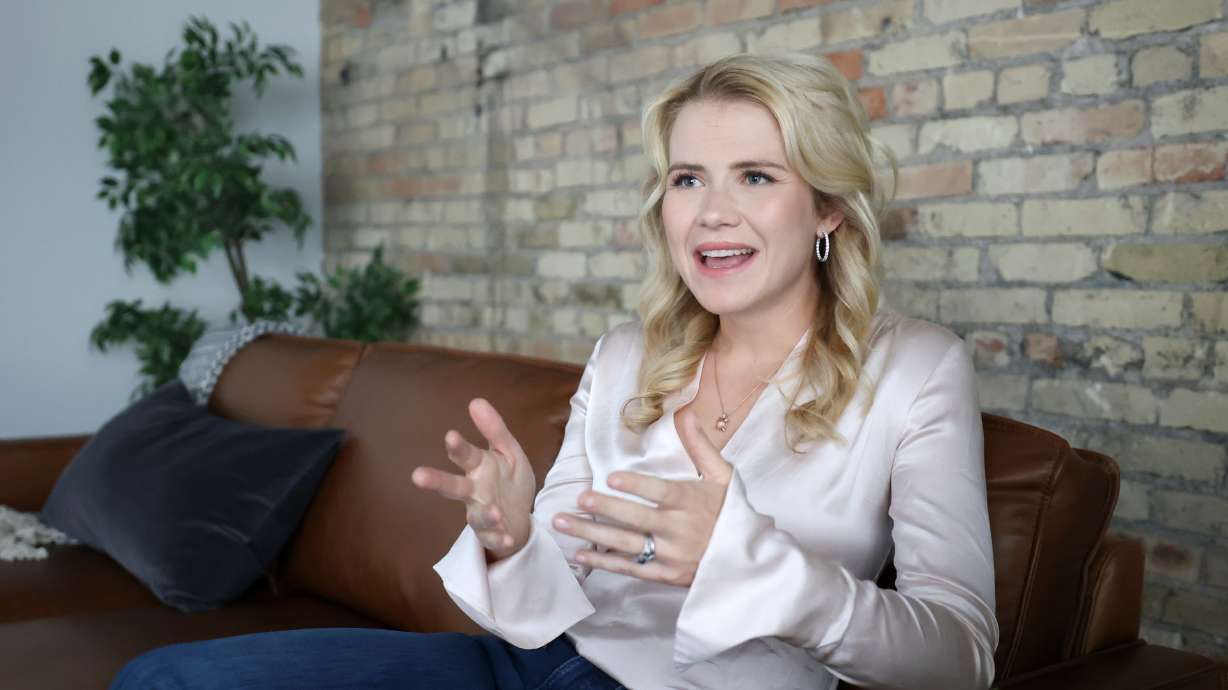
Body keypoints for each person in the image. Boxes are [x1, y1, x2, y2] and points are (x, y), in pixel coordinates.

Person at [110, 51, 997, 690]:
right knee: (163, 679)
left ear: (828, 208)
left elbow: (959, 654)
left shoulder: (916, 371)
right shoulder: (626, 356)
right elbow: (556, 593)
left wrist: (750, 561)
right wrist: (512, 534)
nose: (712, 215)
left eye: (756, 176)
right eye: (688, 179)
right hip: (529, 664)